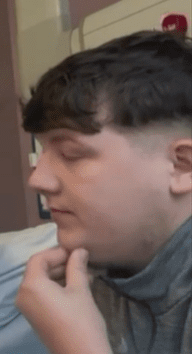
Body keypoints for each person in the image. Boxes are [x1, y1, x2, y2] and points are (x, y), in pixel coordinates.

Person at [15, 30, 192, 354]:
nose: (38, 179)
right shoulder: (99, 275)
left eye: (70, 153)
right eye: (42, 153)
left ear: (182, 166)